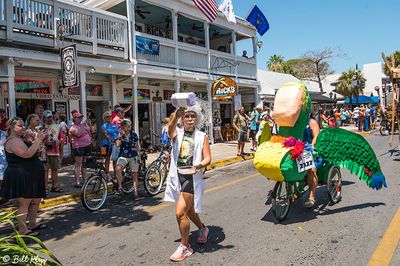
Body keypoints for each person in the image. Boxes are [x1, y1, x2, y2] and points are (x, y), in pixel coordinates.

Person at [164, 104, 211, 262]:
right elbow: (170, 132)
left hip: (191, 178)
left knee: (180, 213)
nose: (190, 118)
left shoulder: (202, 136)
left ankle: (185, 246)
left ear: (196, 119)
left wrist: (199, 165)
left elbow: (208, 158)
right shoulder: (177, 133)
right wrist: (175, 116)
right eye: (187, 116)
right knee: (190, 212)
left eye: (193, 116)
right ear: (182, 118)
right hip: (178, 176)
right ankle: (203, 228)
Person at [0, 117, 47, 236]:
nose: (23, 128)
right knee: (24, 202)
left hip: (30, 174)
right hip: (21, 175)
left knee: (35, 200)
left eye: (23, 125)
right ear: (11, 127)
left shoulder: (19, 139)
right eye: (20, 126)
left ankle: (32, 224)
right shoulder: (12, 141)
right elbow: (27, 154)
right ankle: (22, 229)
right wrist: (38, 140)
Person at [114, 119, 141, 198]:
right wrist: (120, 137)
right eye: (127, 125)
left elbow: (137, 146)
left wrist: (139, 155)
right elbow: (117, 145)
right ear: (122, 127)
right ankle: (120, 187)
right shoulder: (120, 135)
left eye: (130, 125)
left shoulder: (134, 134)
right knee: (118, 169)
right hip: (124, 155)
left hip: (133, 155)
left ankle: (136, 192)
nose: (129, 127)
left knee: (134, 173)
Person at [41, 110, 65, 193]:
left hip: (55, 151)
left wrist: (60, 149)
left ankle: (54, 186)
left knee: (55, 169)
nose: (50, 119)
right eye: (48, 117)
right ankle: (45, 188)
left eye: (51, 117)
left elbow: (61, 138)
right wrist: (45, 142)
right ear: (44, 118)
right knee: (45, 170)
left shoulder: (57, 126)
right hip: (44, 152)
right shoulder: (41, 126)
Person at [69, 110, 93, 188]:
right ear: (75, 118)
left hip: (87, 145)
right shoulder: (73, 127)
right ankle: (77, 181)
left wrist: (89, 125)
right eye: (79, 117)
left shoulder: (83, 125)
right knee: (78, 164)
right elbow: (78, 134)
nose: (80, 119)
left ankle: (85, 180)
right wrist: (83, 125)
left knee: (84, 162)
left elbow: (91, 131)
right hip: (78, 146)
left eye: (81, 117)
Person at [302, 116, 320, 208]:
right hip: (299, 150)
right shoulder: (295, 122)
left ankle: (311, 197)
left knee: (311, 169)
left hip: (312, 150)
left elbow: (316, 136)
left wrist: (311, 147)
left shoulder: (311, 122)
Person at [101, 111, 119, 176]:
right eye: (107, 116)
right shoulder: (104, 126)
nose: (109, 117)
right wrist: (111, 139)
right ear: (105, 118)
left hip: (115, 145)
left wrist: (118, 140)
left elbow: (118, 134)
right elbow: (105, 135)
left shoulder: (115, 125)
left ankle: (115, 174)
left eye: (110, 116)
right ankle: (107, 175)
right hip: (106, 145)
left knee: (115, 160)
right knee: (107, 160)